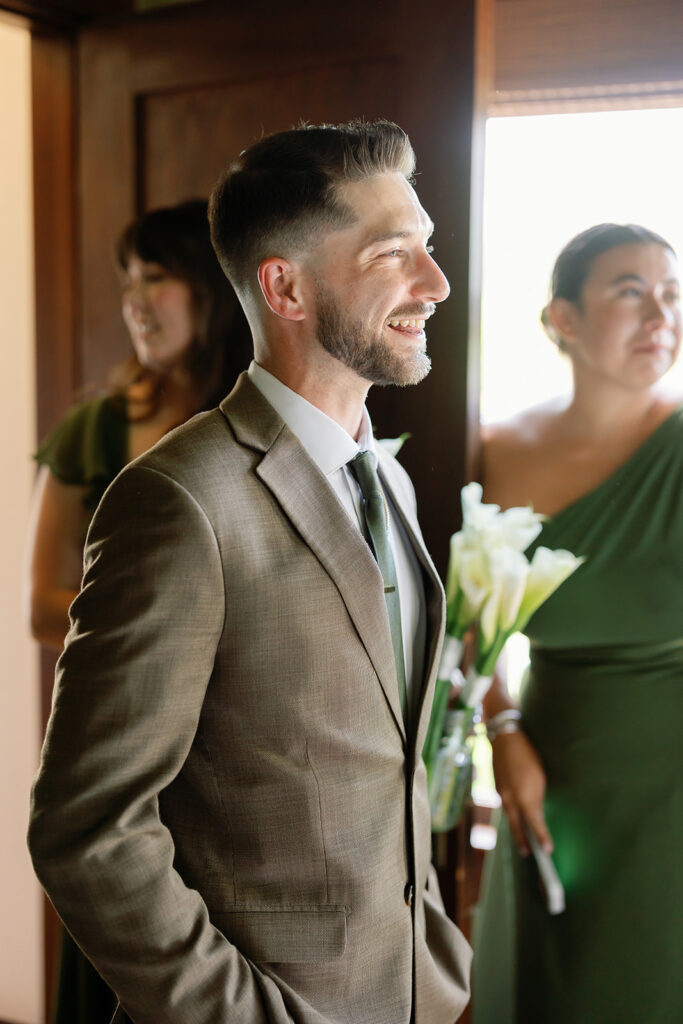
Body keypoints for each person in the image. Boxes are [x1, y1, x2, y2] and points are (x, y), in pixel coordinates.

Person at [28, 120, 472, 1024]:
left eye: (427, 247)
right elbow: (88, 828)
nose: (435, 283)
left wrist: (432, 957)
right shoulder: (180, 499)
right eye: (395, 254)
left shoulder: (386, 477)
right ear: (285, 287)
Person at [25, 197, 252, 1022]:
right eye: (126, 281)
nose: (133, 300)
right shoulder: (95, 427)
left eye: (154, 278)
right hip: (123, 742)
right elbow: (42, 606)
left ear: (214, 289)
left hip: (245, 756)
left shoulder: (258, 431)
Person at [472, 223, 683, 1024]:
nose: (659, 315)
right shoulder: (495, 451)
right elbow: (467, 624)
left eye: (669, 295)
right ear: (562, 318)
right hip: (549, 765)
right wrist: (504, 733)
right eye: (629, 292)